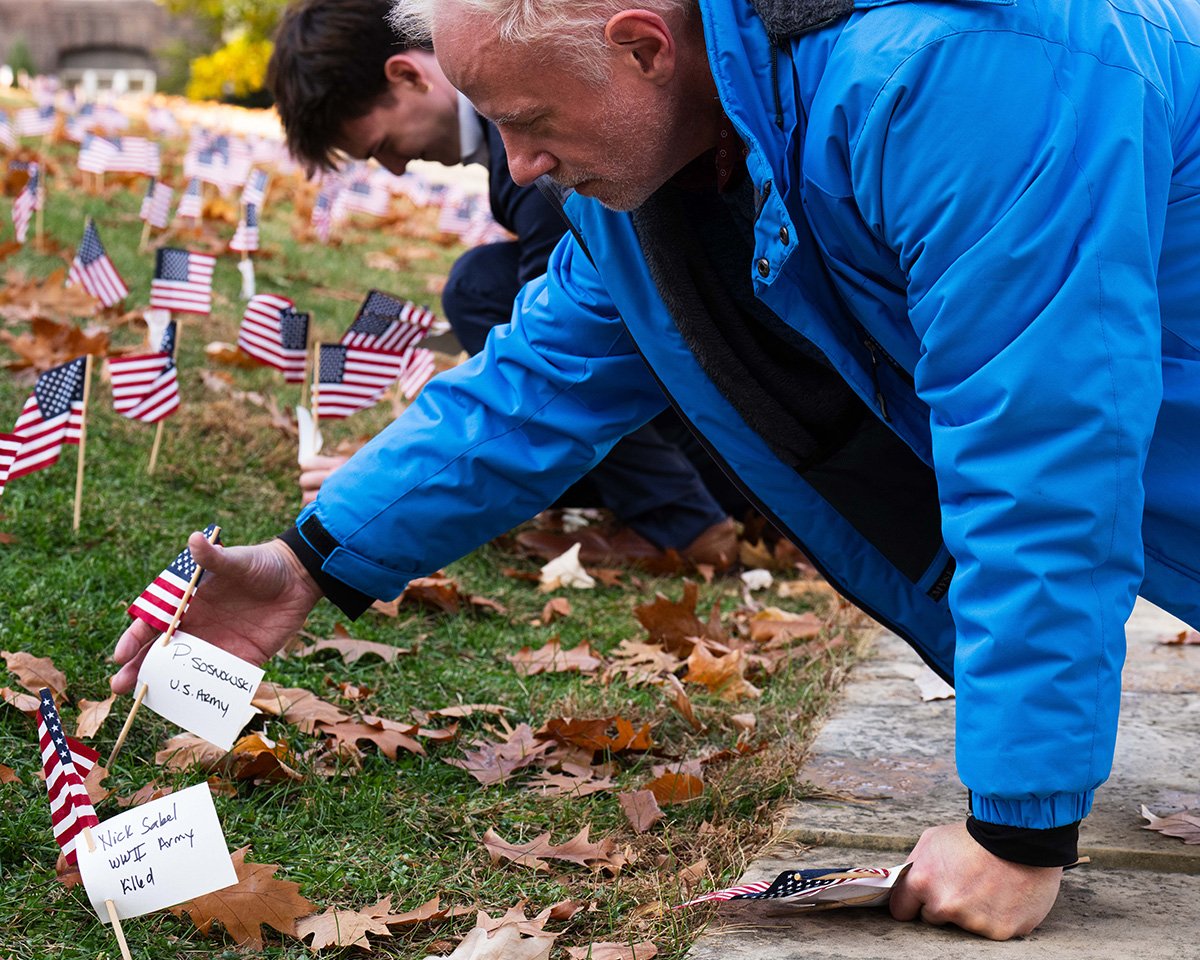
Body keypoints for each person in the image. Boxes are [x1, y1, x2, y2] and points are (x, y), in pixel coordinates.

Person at [113, 0, 1200, 941]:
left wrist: (1018, 826)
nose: (520, 169)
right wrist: (312, 561)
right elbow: (542, 378)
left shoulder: (952, 71)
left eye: (528, 124)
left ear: (642, 47)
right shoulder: (655, 158)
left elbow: (1041, 441)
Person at [267, 0, 741, 569]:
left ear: (407, 74)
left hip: (731, 441)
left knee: (479, 288)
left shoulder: (551, 164)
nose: (394, 169)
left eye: (382, 146)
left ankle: (684, 520)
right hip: (720, 411)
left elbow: (568, 362)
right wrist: (391, 484)